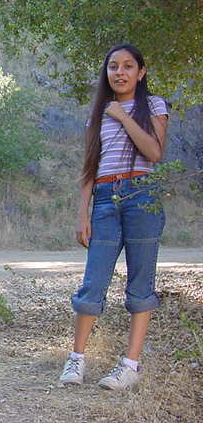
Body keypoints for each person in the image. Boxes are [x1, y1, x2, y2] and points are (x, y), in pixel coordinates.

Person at [59, 44, 169, 390]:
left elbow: (154, 152)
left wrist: (123, 116)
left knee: (140, 283)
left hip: (142, 195)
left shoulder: (153, 105)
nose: (119, 73)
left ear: (141, 72)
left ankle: (130, 365)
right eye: (113, 67)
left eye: (128, 66)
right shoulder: (97, 115)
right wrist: (83, 213)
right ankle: (76, 359)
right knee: (93, 281)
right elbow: (90, 166)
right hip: (105, 198)